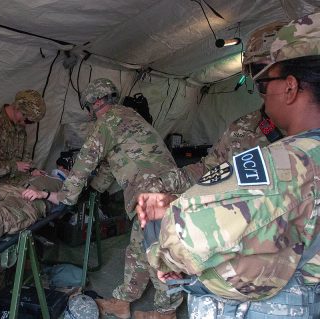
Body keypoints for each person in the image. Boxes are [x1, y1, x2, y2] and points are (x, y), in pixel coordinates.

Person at [137, 13, 320, 318]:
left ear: (290, 87)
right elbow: (211, 170)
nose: (262, 91)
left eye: (266, 81)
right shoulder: (248, 129)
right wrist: (176, 195)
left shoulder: (288, 160)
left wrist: (163, 234)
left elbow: (187, 239)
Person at [22, 78, 187, 319]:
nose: (90, 113)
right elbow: (112, 165)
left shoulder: (109, 121)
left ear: (96, 101)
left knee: (158, 253)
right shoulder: (129, 117)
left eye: (89, 107)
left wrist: (65, 196)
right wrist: (94, 190)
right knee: (137, 250)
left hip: (155, 193)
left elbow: (85, 161)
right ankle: (122, 301)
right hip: (161, 188)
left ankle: (167, 311)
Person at [180, 20, 287, 186]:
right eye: (256, 71)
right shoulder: (245, 127)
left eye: (266, 70)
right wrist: (161, 188)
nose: (260, 81)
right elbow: (209, 169)